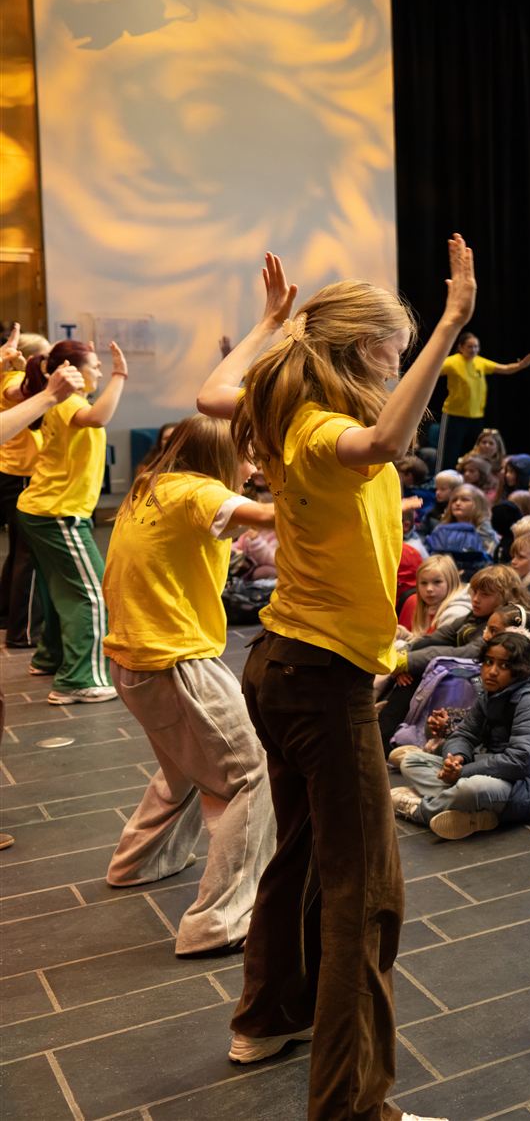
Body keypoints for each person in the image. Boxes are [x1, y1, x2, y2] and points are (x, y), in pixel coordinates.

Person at [196, 242, 472, 1121]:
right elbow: (390, 436)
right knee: (370, 901)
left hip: (282, 665)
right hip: (322, 682)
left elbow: (210, 395)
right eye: (396, 348)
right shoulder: (319, 425)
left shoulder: (285, 410)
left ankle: (269, 1014)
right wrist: (457, 321)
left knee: (308, 855)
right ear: (363, 354)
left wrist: (270, 326)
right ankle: (354, 1107)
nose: (401, 360)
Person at [97, 414, 278, 954]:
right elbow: (268, 517)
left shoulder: (152, 484)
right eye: (247, 455)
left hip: (137, 660)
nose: (253, 466)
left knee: (183, 767)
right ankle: (218, 923)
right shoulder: (199, 493)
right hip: (175, 661)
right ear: (220, 457)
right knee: (253, 774)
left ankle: (139, 861)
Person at [17, 337, 127, 703]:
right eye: (94, 366)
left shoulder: (65, 402)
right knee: (93, 595)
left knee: (59, 590)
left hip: (45, 509)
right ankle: (80, 680)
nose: (98, 371)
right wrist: (120, 375)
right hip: (58, 512)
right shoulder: (68, 403)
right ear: (73, 371)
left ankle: (51, 657)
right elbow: (99, 418)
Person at [389, 629, 530, 839]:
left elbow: (521, 760)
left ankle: (420, 809)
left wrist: (462, 772)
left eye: (504, 665)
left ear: (521, 669)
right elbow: (465, 734)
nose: (492, 671)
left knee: (472, 787)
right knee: (412, 762)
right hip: (487, 769)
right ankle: (476, 815)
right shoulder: (493, 691)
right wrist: (456, 758)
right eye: (488, 662)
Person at [0, 326, 50, 647]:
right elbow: (16, 393)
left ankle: (7, 615)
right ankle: (23, 632)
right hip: (19, 476)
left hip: (16, 473)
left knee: (19, 552)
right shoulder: (14, 381)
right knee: (28, 556)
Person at [434, 329, 530, 465]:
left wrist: (520, 365)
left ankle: (471, 481)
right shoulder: (451, 362)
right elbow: (432, 371)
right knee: (449, 453)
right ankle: (443, 482)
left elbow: (505, 369)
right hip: (454, 415)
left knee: (475, 454)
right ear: (460, 347)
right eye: (470, 346)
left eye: (476, 346)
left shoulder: (480, 362)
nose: (473, 350)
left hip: (476, 417)